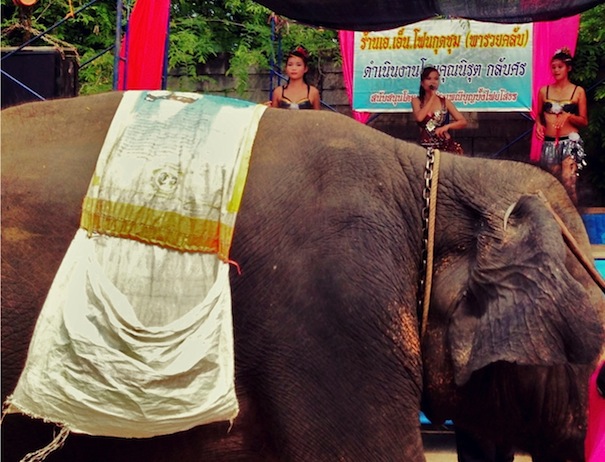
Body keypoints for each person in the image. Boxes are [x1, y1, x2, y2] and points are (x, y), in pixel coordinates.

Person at [534, 47, 588, 205]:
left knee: (568, 181)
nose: (556, 70)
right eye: (553, 67)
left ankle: (573, 216)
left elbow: (584, 121)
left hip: (569, 142)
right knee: (552, 184)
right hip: (550, 143)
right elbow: (538, 115)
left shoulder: (578, 91)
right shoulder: (544, 91)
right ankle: (556, 217)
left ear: (568, 68)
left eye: (560, 67)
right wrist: (538, 124)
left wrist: (569, 116)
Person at [411, 65, 467, 154]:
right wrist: (432, 97)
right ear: (422, 83)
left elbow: (463, 122)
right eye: (429, 79)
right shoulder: (416, 101)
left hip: (444, 146)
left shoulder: (445, 102)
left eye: (436, 79)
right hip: (425, 147)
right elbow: (419, 118)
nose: (433, 82)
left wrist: (447, 127)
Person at [270, 46, 321, 110]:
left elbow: (318, 115)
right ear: (286, 68)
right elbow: (274, 115)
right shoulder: (278, 92)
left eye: (298, 65)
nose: (294, 68)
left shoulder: (313, 92)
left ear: (305, 69)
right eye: (290, 65)